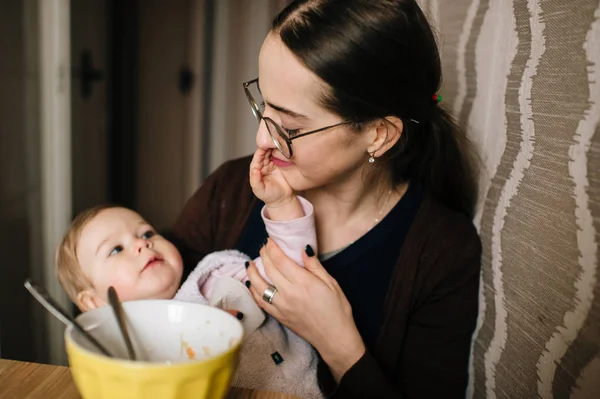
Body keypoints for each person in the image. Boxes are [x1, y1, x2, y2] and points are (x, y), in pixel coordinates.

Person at [170, 0, 482, 398]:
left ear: (378, 134)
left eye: (290, 126)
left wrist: (338, 343)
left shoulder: (441, 254)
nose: (262, 140)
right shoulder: (231, 188)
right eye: (263, 104)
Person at [55, 150, 323, 398]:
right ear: (92, 303)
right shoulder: (108, 347)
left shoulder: (217, 276)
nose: (142, 243)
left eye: (147, 233)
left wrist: (283, 205)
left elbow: (289, 266)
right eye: (116, 249)